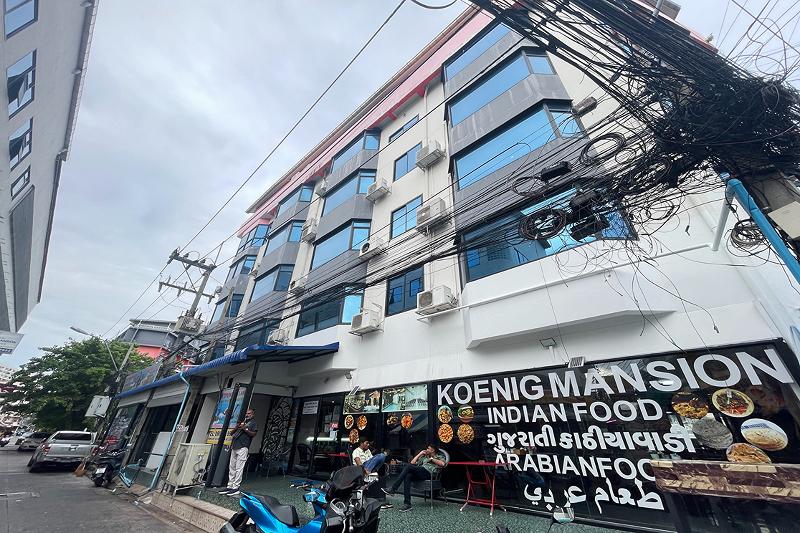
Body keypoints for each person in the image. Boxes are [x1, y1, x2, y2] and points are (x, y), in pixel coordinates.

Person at [383, 444, 446, 512]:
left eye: (428, 448)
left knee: (408, 467)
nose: (426, 449)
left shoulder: (439, 456)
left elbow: (442, 464)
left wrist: (432, 459)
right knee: (408, 476)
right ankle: (407, 504)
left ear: (432, 450)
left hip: (429, 473)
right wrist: (420, 454)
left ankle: (393, 489)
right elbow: (412, 462)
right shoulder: (425, 457)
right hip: (421, 472)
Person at [219, 409, 257, 496]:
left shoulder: (253, 423)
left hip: (243, 447)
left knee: (239, 468)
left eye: (249, 413)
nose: (247, 414)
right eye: (246, 413)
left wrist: (245, 429)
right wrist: (237, 427)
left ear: (252, 414)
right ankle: (230, 485)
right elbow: (231, 433)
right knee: (232, 467)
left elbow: (253, 434)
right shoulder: (242, 422)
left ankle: (236, 487)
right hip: (234, 446)